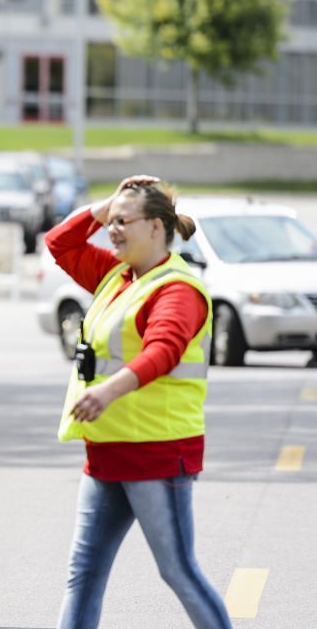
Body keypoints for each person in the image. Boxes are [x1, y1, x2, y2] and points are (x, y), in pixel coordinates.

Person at [47, 175, 232, 629]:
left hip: (156, 452)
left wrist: (109, 390)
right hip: (107, 450)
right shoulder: (116, 275)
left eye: (123, 221)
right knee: (83, 574)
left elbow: (163, 351)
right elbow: (58, 243)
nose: (112, 229)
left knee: (178, 571)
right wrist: (108, 204)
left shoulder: (178, 289)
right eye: (110, 221)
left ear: (155, 227)